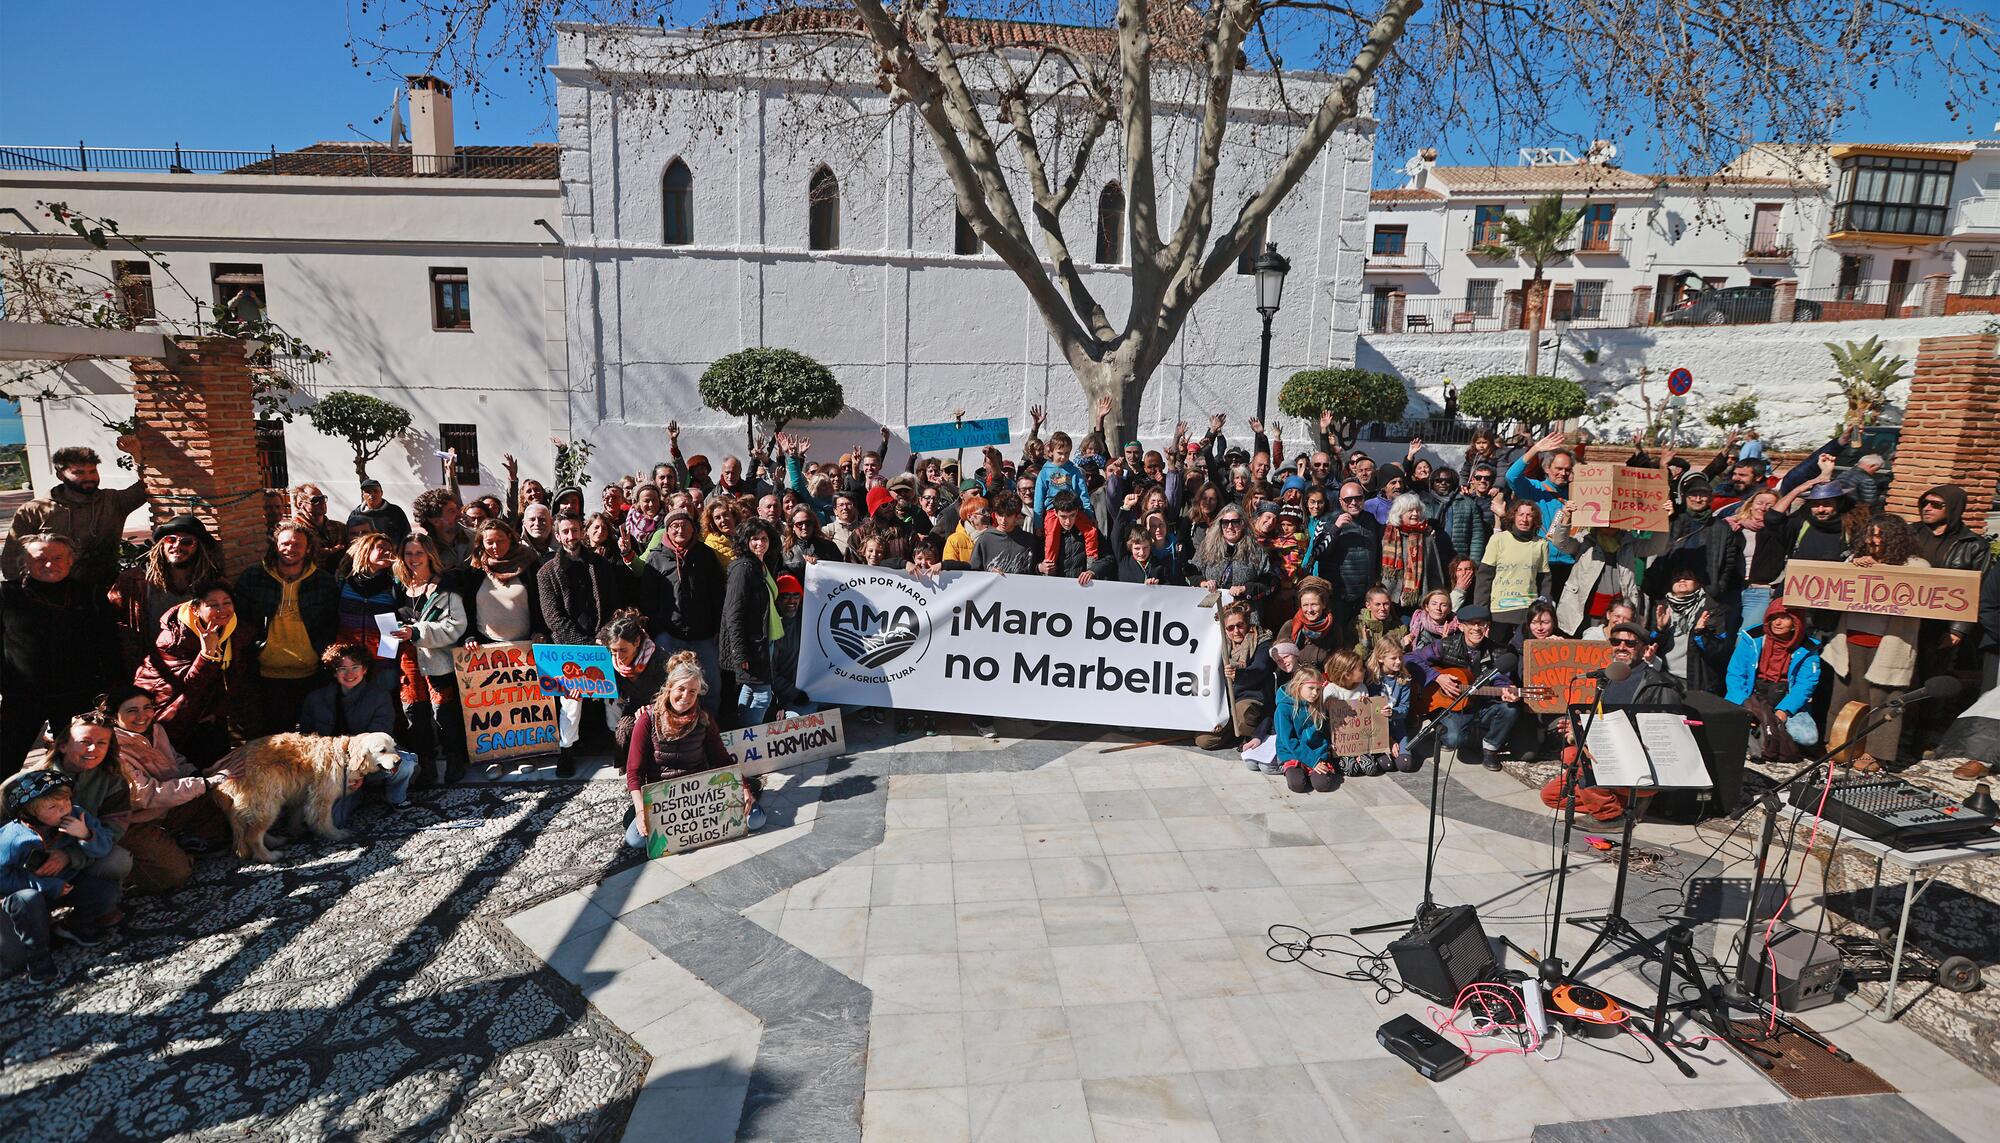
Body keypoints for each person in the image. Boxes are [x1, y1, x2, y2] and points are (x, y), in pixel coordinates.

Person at [2, 534, 123, 776]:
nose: (49, 564)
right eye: (40, 558)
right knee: (5, 759)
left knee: (81, 764)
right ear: (25, 562)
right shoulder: (7, 595)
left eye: (58, 557)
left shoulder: (90, 595)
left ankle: (76, 809)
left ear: (71, 561)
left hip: (78, 694)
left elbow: (109, 645)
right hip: (22, 695)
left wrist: (116, 688)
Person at [624, 650, 763, 851]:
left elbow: (722, 759)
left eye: (692, 691)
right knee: (635, 840)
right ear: (669, 688)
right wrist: (640, 811)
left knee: (756, 820)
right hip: (664, 798)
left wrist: (744, 789)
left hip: (698, 795)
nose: (685, 697)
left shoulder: (704, 718)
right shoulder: (647, 720)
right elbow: (634, 773)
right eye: (681, 689)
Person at [1822, 516, 1929, 772]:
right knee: (1846, 698)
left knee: (1884, 701)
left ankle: (1876, 753)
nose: (1875, 541)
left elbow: (1922, 586)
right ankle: (1840, 745)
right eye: (1871, 535)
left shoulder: (1915, 564)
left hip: (1890, 644)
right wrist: (1855, 567)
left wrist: (1885, 569)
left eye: (1882, 536)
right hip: (1851, 639)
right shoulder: (1855, 559)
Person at [103, 685, 230, 893]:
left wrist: (195, 775)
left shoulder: (156, 729)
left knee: (221, 806)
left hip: (166, 807)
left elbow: (175, 761)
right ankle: (126, 866)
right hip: (133, 822)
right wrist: (200, 784)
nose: (142, 716)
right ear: (114, 715)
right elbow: (145, 795)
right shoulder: (113, 749)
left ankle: (176, 840)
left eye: (147, 707)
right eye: (131, 710)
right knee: (175, 875)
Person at [1, 768, 123, 981]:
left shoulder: (77, 815)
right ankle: (38, 959)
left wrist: (86, 834)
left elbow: (103, 848)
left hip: (68, 883)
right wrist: (45, 885)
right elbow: (2, 879)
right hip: (28, 897)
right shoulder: (13, 838)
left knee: (106, 893)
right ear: (28, 813)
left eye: (66, 801)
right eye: (53, 807)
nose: (64, 809)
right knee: (17, 948)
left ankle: (72, 926)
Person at [539, 512, 628, 771]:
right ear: (557, 535)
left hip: (602, 640)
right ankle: (566, 751)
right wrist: (586, 644)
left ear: (583, 531)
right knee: (570, 701)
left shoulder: (599, 565)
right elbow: (553, 618)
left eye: (575, 530)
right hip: (569, 646)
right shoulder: (547, 572)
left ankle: (618, 744)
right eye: (565, 531)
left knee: (612, 696)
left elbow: (614, 606)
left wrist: (602, 637)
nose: (571, 536)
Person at [236, 522, 340, 735]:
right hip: (266, 676)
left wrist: (320, 653)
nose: (290, 548)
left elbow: (331, 624)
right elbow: (242, 621)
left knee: (310, 738)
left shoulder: (323, 582)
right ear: (275, 545)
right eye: (285, 543)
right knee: (272, 738)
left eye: (297, 544)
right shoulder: (253, 578)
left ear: (308, 548)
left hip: (310, 675)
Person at [134, 579, 252, 767]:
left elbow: (234, 678)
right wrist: (207, 653)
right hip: (173, 713)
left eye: (227, 603)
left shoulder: (236, 632)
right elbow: (189, 684)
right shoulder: (174, 637)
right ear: (196, 609)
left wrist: (217, 710)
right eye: (213, 605)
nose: (222, 610)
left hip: (207, 714)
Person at [3, 440, 149, 589]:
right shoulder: (34, 510)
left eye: (92, 471)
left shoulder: (113, 501)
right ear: (61, 475)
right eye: (79, 472)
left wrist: (136, 454)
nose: (89, 477)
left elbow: (147, 486)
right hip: (53, 593)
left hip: (103, 590)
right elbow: (12, 560)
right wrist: (27, 595)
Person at [298, 643, 414, 826]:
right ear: (334, 672)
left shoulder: (379, 697)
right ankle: (356, 796)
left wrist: (357, 773)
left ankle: (395, 796)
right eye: (342, 669)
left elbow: (380, 736)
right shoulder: (315, 699)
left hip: (368, 762)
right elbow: (305, 738)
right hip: (332, 769)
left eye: (355, 668)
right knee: (332, 821)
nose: (349, 674)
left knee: (406, 764)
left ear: (365, 669)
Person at [389, 534, 469, 785]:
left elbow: (456, 625)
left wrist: (418, 632)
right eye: (409, 553)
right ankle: (426, 766)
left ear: (429, 555)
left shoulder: (445, 586)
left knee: (444, 712)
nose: (413, 559)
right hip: (408, 660)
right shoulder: (398, 586)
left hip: (438, 659)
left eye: (419, 553)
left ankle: (455, 761)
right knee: (415, 713)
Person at [21, 713, 133, 891]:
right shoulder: (33, 779)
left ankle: (93, 899)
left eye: (101, 743)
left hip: (86, 850)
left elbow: (111, 833)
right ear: (63, 746)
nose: (92, 749)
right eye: (85, 742)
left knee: (117, 861)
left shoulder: (113, 782)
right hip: (36, 855)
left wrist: (69, 856)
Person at [1405, 604, 1520, 771]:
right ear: (1460, 626)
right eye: (1471, 624)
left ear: (1487, 626)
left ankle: (1490, 748)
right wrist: (1438, 677)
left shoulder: (1498, 652)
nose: (1476, 628)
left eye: (1481, 623)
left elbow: (1502, 680)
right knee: (1453, 740)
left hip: (1482, 705)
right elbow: (1409, 658)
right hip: (1455, 707)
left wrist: (1506, 692)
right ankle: (1449, 726)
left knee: (1510, 708)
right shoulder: (1445, 646)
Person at [107, 515, 226, 670]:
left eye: (187, 542)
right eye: (171, 540)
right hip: (150, 670)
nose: (177, 546)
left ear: (199, 547)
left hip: (196, 668)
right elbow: (113, 626)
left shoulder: (214, 585)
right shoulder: (134, 582)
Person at [639, 508, 727, 711]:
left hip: (703, 635)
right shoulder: (656, 557)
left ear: (693, 528)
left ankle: (708, 727)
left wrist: (715, 629)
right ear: (667, 531)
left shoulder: (705, 555)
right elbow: (648, 599)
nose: (680, 529)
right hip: (669, 635)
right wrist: (658, 629)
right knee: (669, 686)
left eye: (684, 524)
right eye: (674, 526)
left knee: (711, 685)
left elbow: (717, 594)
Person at [1551, 502, 1668, 638]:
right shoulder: (1585, 541)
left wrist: (1663, 517)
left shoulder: (1628, 543)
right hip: (1584, 613)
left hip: (1618, 614)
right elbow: (1560, 542)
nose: (1610, 523)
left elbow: (1656, 546)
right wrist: (1566, 518)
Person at [1725, 601, 1822, 764]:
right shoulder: (1752, 639)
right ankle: (1763, 732)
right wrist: (1745, 705)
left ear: (1795, 624)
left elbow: (1805, 685)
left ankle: (1769, 734)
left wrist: (1784, 711)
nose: (1777, 623)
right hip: (1752, 696)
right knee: (1726, 726)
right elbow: (1735, 674)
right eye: (1774, 617)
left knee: (1807, 737)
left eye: (1784, 618)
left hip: (1784, 698)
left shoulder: (1808, 649)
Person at [721, 518, 785, 729]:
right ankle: (751, 738)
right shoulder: (743, 568)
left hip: (764, 640)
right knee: (762, 696)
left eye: (764, 539)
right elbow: (733, 613)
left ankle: (743, 733)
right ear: (745, 541)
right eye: (754, 539)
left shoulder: (762, 565)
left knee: (750, 689)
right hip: (751, 645)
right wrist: (740, 653)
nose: (760, 544)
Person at [1504, 429, 1576, 594]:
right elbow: (1511, 476)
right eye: (1558, 468)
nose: (1563, 473)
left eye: (1567, 469)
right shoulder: (1534, 488)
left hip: (1570, 562)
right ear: (1547, 468)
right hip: (1539, 562)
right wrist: (1535, 449)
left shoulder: (1575, 492)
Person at [1197, 603, 1272, 752]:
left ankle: (1250, 734)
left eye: (1240, 625)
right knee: (1204, 741)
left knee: (1242, 713)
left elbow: (1260, 668)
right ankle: (1232, 732)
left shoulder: (1262, 640)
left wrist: (1238, 674)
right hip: (1224, 700)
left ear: (1248, 623)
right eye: (1230, 628)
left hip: (1249, 695)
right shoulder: (1218, 643)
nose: (1236, 631)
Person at [462, 519, 544, 645]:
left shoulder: (529, 565)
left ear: (509, 538)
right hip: (486, 646)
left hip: (527, 645)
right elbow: (467, 608)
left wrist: (540, 631)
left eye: (500, 541)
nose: (495, 547)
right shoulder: (475, 572)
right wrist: (470, 636)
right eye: (489, 542)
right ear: (482, 543)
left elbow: (541, 603)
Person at [1476, 498, 1553, 633]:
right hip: (1499, 611)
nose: (1524, 519)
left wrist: (1544, 610)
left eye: (1529, 515)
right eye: (1521, 515)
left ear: (1535, 520)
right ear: (1513, 517)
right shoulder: (1498, 540)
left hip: (1529, 613)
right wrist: (1481, 611)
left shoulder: (1541, 544)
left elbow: (1544, 581)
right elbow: (1484, 578)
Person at [1274, 667, 1339, 793]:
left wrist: (1330, 745)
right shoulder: (1284, 708)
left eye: (1318, 690)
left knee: (1322, 785)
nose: (1315, 693)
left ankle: (1312, 772)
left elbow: (1324, 731)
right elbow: (1288, 740)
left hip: (1316, 751)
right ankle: (1297, 769)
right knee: (1297, 785)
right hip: (1293, 753)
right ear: (1298, 686)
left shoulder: (1318, 705)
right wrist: (1312, 762)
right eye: (1311, 688)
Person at [1193, 506, 1272, 610]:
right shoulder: (1208, 546)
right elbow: (1191, 572)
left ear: (1242, 524)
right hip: (1210, 609)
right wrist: (1203, 582)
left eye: (1235, 522)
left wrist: (1245, 588)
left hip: (1245, 612)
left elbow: (1268, 582)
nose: (1230, 526)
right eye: (1225, 522)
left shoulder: (1255, 550)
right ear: (1220, 525)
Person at [413, 487, 476, 571]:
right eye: (452, 511)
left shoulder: (476, 539)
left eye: (456, 509)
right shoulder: (425, 550)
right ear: (435, 521)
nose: (459, 514)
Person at [289, 484, 349, 559]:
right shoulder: (293, 530)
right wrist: (327, 552)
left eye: (322, 498)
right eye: (315, 500)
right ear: (300, 504)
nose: (321, 502)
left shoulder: (340, 527)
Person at [347, 479, 411, 545]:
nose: (372, 494)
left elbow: (407, 535)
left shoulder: (395, 512)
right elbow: (350, 539)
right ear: (362, 495)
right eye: (368, 492)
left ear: (382, 493)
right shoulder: (355, 515)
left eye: (375, 491)